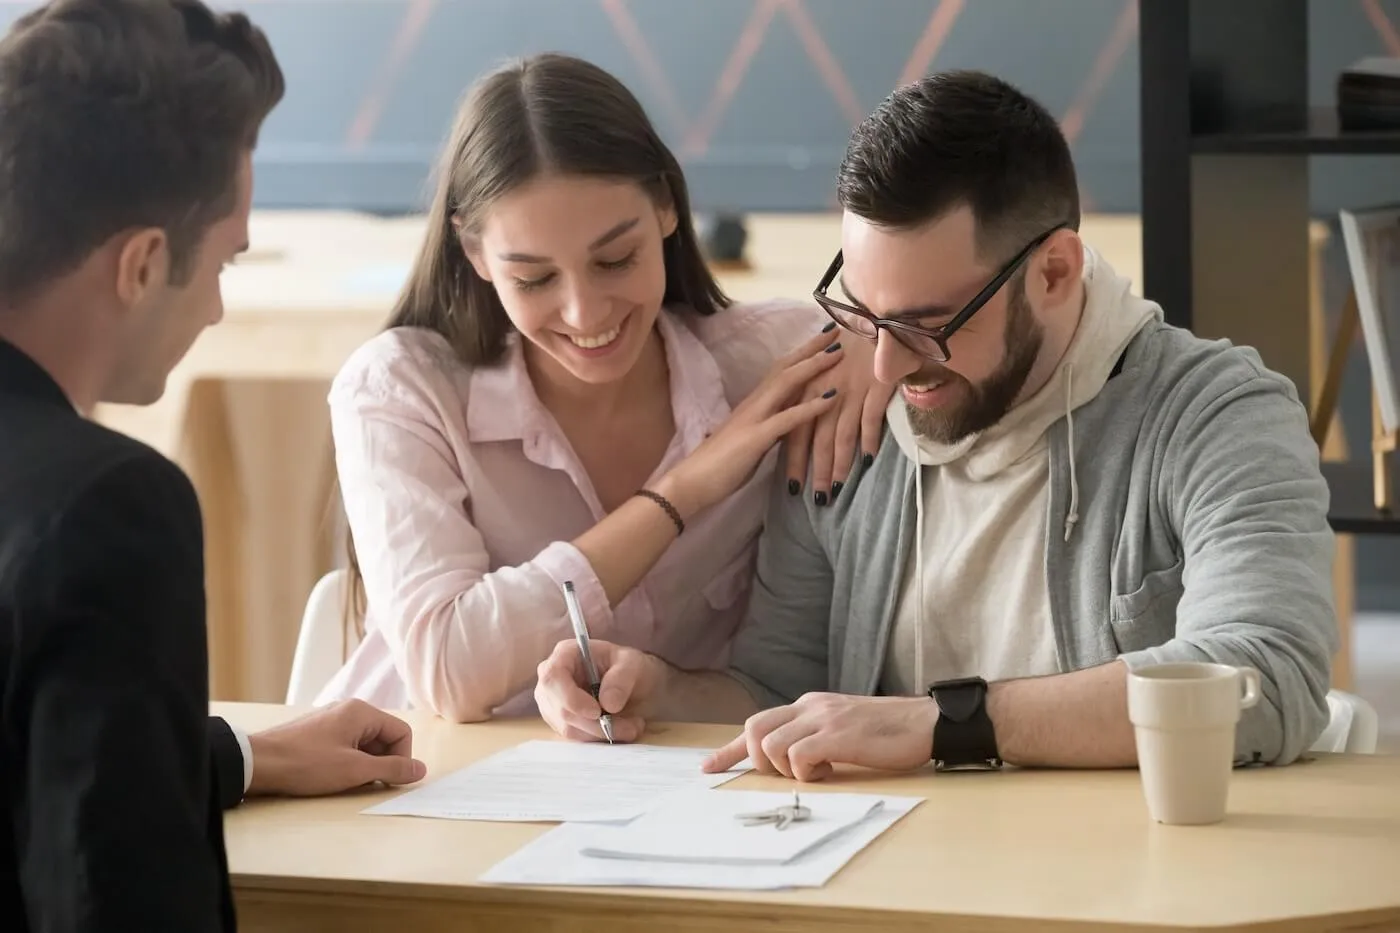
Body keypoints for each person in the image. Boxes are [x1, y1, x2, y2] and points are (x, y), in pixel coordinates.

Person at [533, 69, 1338, 779]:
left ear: (1054, 271)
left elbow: (1267, 677)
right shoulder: (846, 424)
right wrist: (661, 687)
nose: (882, 368)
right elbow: (783, 687)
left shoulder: (1216, 414)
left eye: (926, 324)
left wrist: (942, 724)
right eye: (863, 314)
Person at [0, 2, 423, 929]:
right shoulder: (106, 505)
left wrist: (239, 753)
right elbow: (116, 895)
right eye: (226, 262)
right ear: (143, 264)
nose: (219, 312)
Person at [315, 52, 891, 722]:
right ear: (474, 254)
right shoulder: (400, 389)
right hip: (425, 789)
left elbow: (913, 327)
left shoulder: (775, 365)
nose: (585, 313)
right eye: (533, 279)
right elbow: (448, 671)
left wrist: (871, 335)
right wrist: (683, 490)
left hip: (688, 794)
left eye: (617, 259)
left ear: (667, 210)